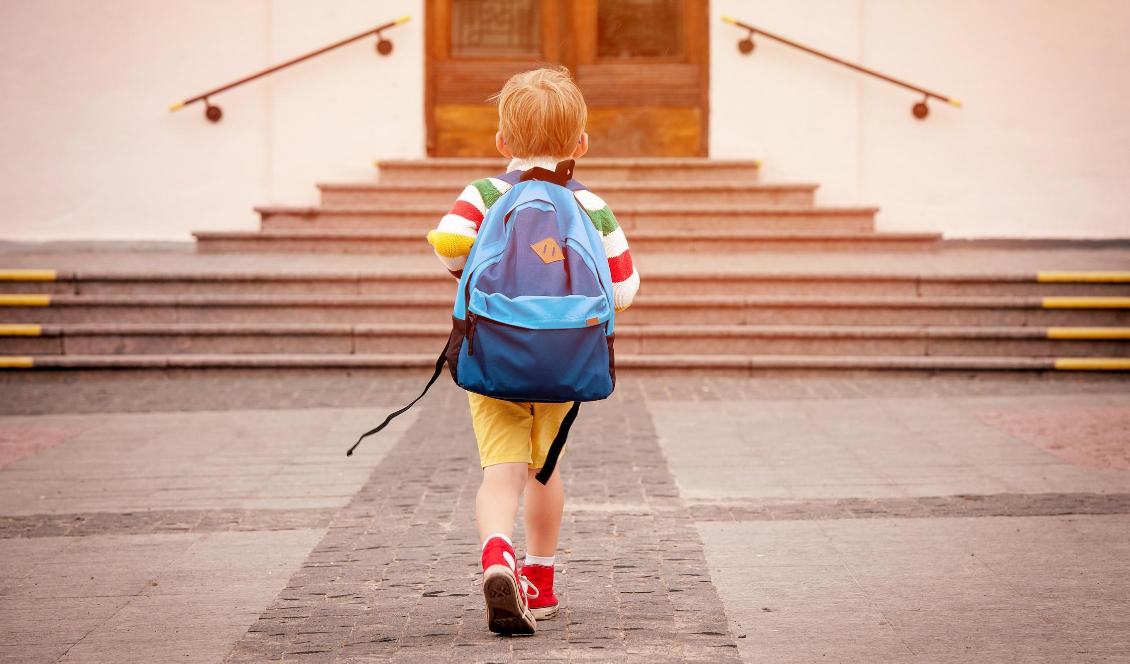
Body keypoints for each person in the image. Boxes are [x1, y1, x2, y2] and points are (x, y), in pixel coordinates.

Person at [425, 66, 640, 635]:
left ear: (501, 142)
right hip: (564, 361)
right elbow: (623, 288)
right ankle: (540, 584)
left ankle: (498, 556)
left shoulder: (486, 192)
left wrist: (470, 271)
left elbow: (449, 242)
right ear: (581, 144)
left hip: (494, 355)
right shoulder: (590, 204)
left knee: (500, 474)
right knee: (545, 472)